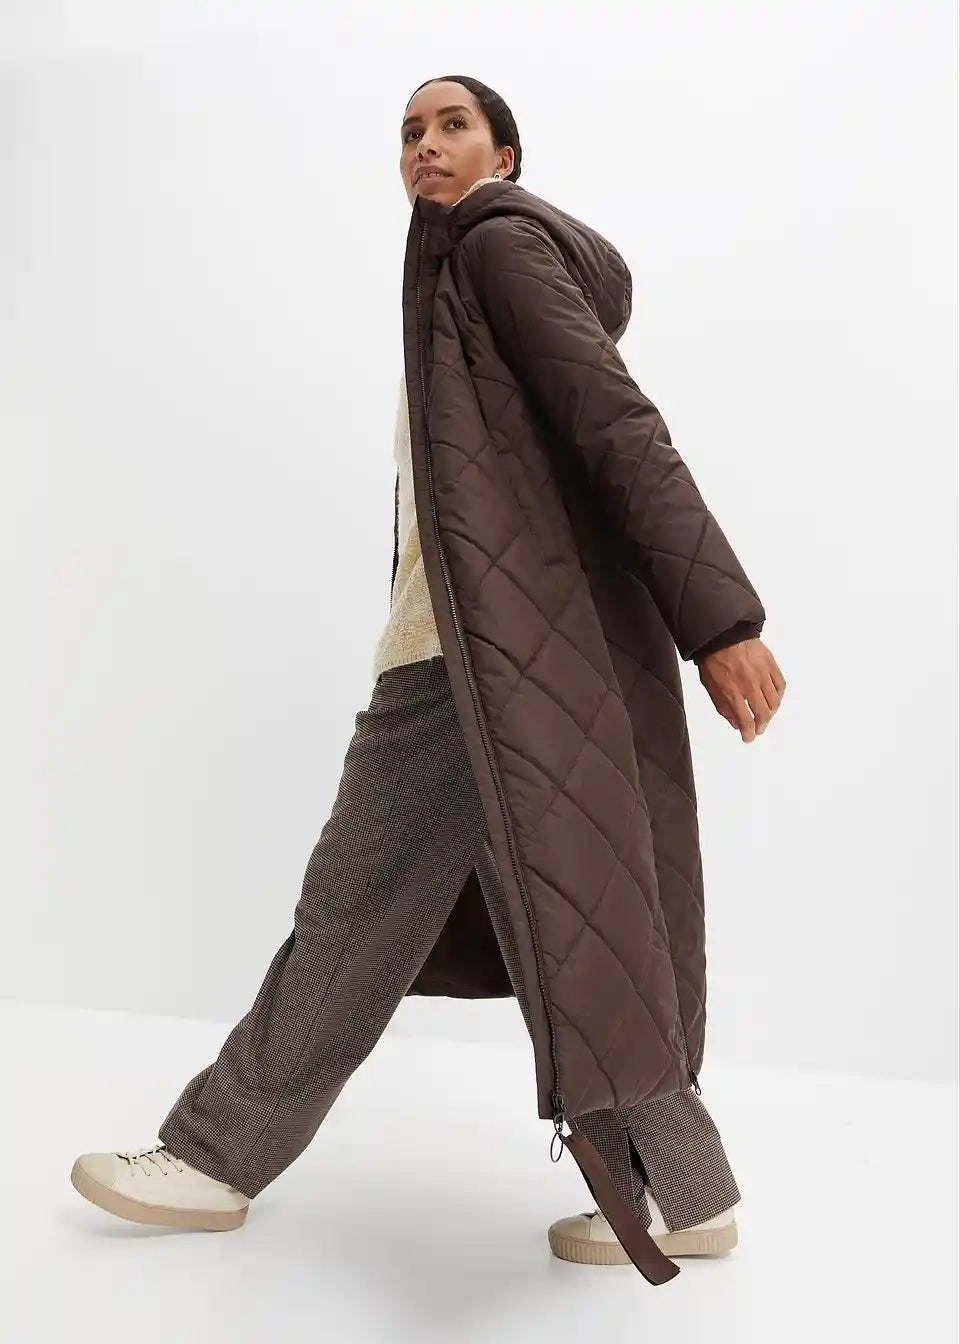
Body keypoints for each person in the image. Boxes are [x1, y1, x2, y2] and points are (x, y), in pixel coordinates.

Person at [70, 75, 785, 1283]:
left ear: (506, 156)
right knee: (554, 921)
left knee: (357, 908)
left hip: (471, 662)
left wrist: (720, 618)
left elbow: (618, 423)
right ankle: (685, 1189)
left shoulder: (497, 247)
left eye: (454, 126)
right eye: (409, 132)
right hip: (482, 655)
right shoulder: (459, 273)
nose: (426, 146)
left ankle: (214, 1158)